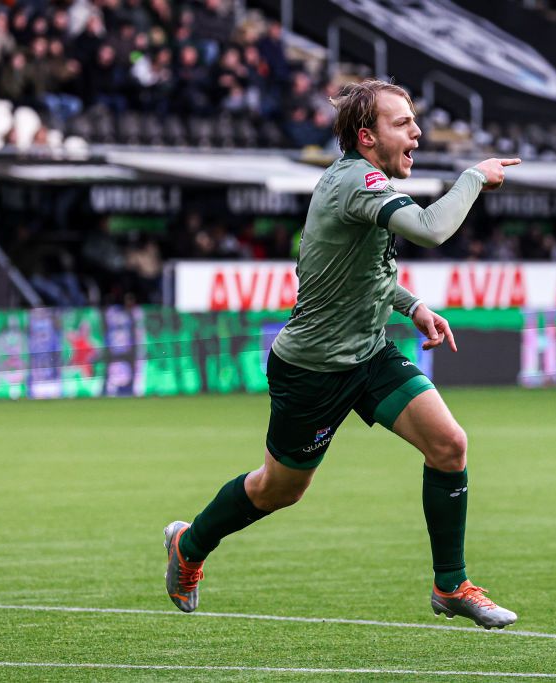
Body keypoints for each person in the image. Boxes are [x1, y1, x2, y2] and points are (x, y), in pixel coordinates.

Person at [163, 79, 520, 630]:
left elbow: (353, 272)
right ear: (366, 136)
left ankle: (451, 586)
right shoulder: (359, 181)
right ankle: (190, 544)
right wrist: (474, 175)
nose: (418, 133)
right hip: (312, 369)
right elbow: (430, 229)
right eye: (403, 124)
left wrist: (413, 306)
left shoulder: (358, 182)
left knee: (449, 444)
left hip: (368, 353)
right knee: (279, 489)